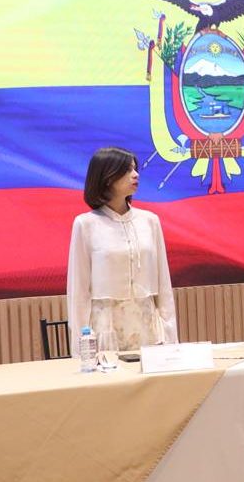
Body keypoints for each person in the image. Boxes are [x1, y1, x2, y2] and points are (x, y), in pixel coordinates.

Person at [67, 147, 178, 354]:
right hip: (106, 328)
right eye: (127, 170)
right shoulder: (85, 225)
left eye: (135, 169)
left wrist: (170, 336)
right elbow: (79, 292)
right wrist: (81, 347)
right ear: (107, 177)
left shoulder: (150, 221)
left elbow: (164, 286)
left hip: (147, 327)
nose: (135, 175)